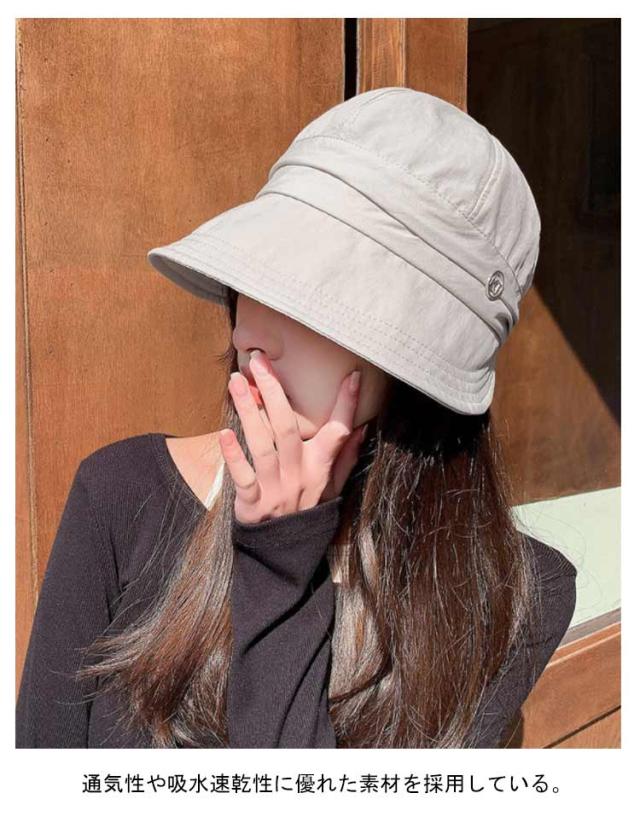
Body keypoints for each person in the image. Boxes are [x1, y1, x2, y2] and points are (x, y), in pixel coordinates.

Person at [16, 87, 577, 748]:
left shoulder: (512, 595)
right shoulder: (123, 494)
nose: (250, 332)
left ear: (422, 357)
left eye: (313, 297)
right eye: (255, 279)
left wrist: (280, 567)